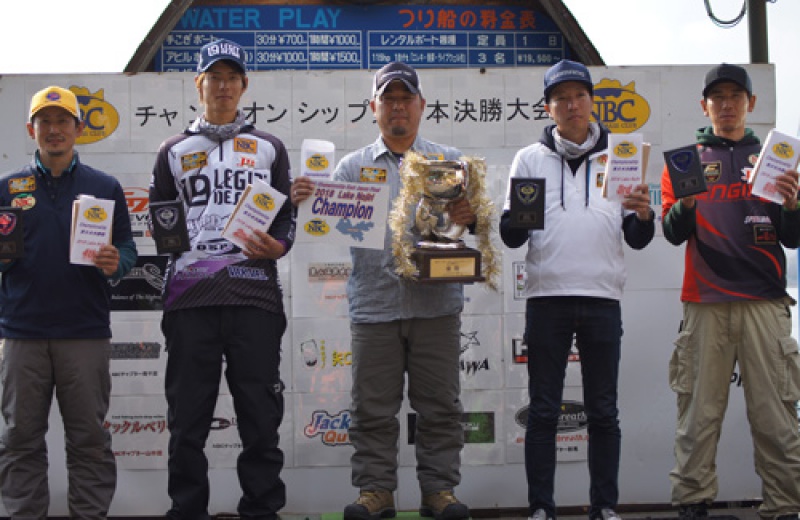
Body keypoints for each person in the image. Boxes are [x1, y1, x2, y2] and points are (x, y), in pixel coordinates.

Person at [291, 61, 472, 520]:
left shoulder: (448, 162)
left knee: (441, 407)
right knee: (371, 408)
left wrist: (472, 215)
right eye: (388, 99)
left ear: (420, 106)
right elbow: (322, 220)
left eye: (405, 99)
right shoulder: (351, 167)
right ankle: (376, 492)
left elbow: (466, 229)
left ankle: (439, 492)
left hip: (437, 305)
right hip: (374, 306)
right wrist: (307, 198)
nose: (397, 107)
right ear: (373, 108)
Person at [499, 59, 655, 520]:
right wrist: (515, 219)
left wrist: (644, 213)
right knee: (544, 410)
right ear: (548, 107)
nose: (572, 105)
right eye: (561, 98)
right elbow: (512, 237)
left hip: (603, 298)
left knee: (604, 411)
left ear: (592, 101)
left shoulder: (622, 154)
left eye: (579, 96)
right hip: (547, 298)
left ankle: (604, 506)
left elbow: (639, 237)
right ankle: (541, 509)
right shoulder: (529, 158)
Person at [149, 39, 294, 520]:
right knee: (187, 420)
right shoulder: (172, 150)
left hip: (254, 296)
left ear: (244, 86)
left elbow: (285, 219)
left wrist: (280, 246)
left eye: (232, 77)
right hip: (190, 300)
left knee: (259, 416)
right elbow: (163, 223)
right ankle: (186, 510)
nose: (224, 86)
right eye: (215, 77)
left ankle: (262, 508)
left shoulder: (270, 147)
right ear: (199, 84)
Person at [661, 63, 800, 520]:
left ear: (751, 104)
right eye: (716, 97)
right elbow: (672, 232)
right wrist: (685, 203)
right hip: (705, 303)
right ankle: (692, 504)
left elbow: (793, 236)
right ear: (704, 105)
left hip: (765, 301)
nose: (726, 105)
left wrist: (795, 204)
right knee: (697, 417)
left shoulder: (778, 157)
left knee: (776, 418)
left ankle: (784, 507)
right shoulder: (685, 160)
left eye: (735, 96)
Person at [0, 86, 137, 518]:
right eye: (45, 121)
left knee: (90, 442)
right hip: (21, 333)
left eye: (63, 121)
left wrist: (117, 262)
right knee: (19, 440)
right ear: (31, 129)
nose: (54, 130)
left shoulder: (104, 186)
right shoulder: (6, 188)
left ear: (79, 129)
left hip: (84, 332)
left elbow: (128, 250)